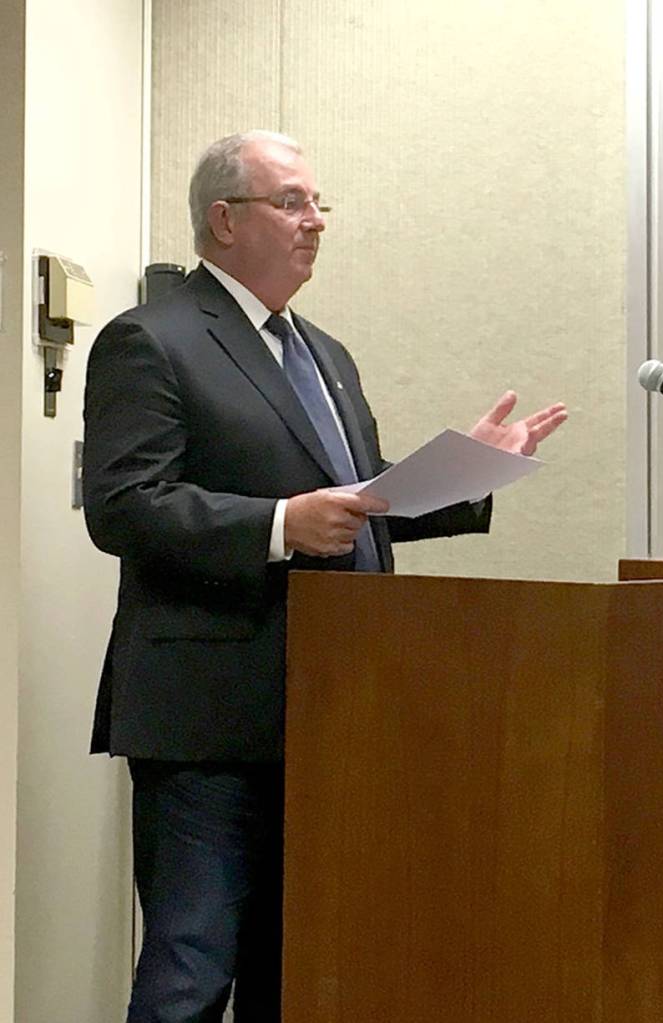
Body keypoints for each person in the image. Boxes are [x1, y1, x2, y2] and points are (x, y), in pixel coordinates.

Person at [82, 129, 567, 1023]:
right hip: (209, 720)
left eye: (319, 205)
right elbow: (122, 503)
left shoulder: (325, 354)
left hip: (331, 709)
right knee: (193, 967)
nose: (316, 223)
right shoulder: (150, 339)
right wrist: (275, 524)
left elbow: (359, 502)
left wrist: (473, 471)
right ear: (224, 221)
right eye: (294, 202)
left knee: (299, 965)